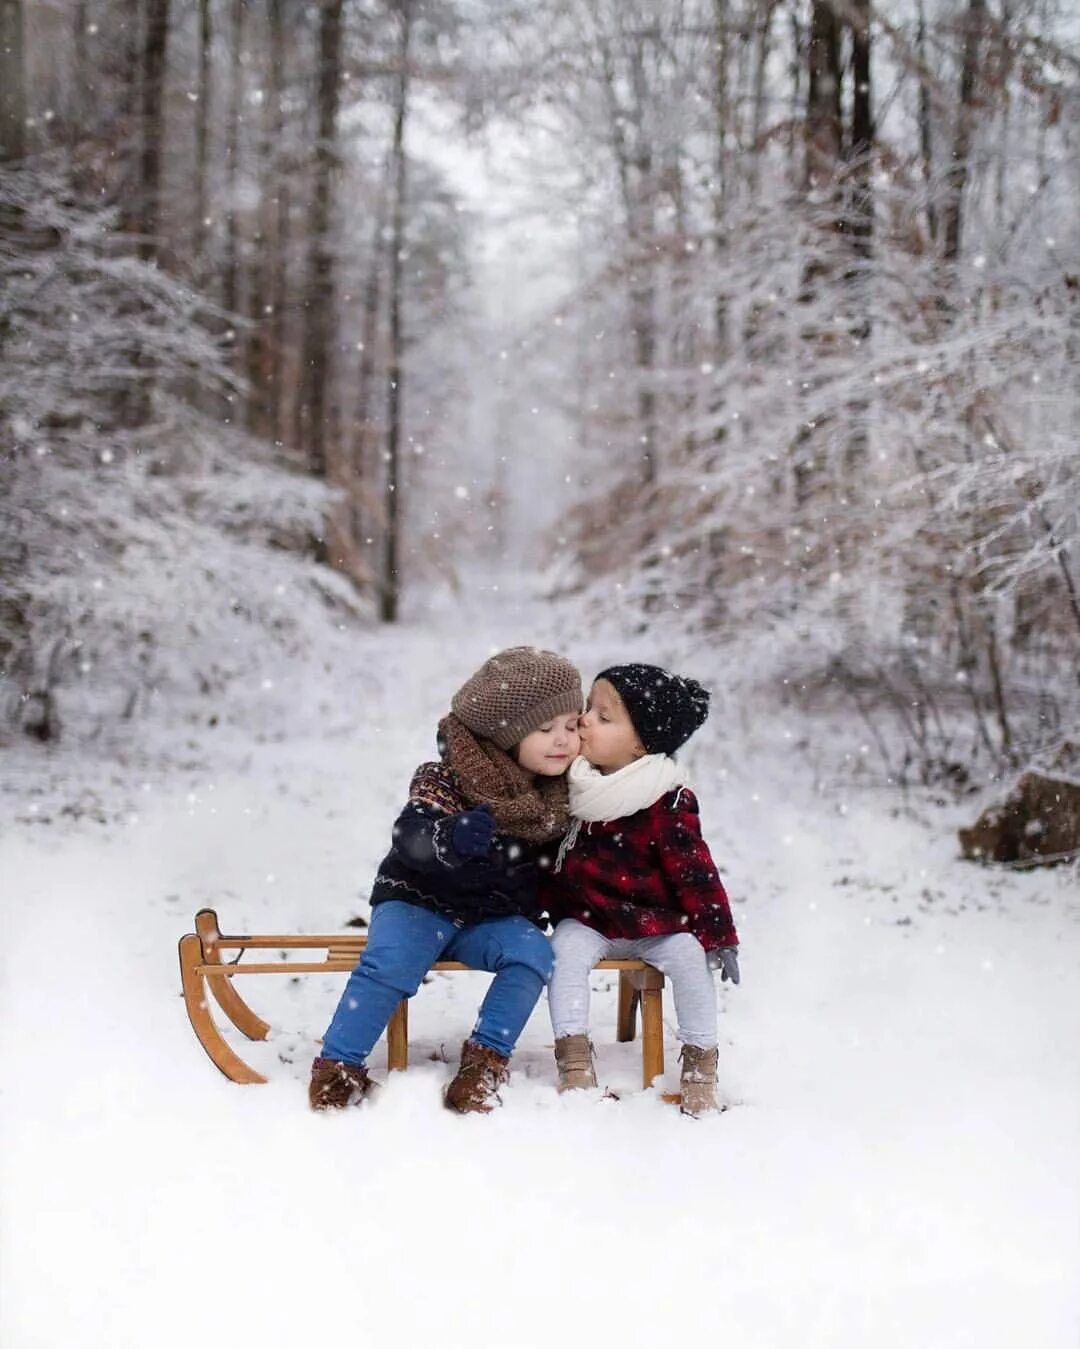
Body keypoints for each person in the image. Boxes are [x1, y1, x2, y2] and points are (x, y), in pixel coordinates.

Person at [309, 646, 582, 1114]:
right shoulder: (447, 779)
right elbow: (409, 837)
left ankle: (484, 1063)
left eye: (572, 726)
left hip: (488, 918)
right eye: (545, 729)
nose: (563, 741)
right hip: (418, 901)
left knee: (534, 954)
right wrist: (449, 837)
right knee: (389, 963)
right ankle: (337, 1067)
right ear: (505, 736)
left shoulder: (555, 796)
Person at [545, 664, 739, 1116]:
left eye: (604, 716)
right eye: (589, 708)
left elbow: (695, 872)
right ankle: (573, 1058)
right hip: (590, 918)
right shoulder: (573, 784)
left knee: (691, 959)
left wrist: (719, 934)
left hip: (657, 923)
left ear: (640, 745)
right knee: (564, 955)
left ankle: (700, 1064)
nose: (585, 720)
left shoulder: (665, 798)